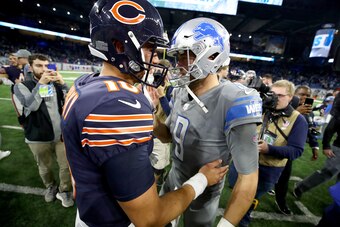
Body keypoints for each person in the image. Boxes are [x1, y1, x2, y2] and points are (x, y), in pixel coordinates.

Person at [60, 1, 227, 226]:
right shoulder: (118, 106)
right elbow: (150, 218)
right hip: (116, 219)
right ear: (119, 45)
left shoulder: (86, 84)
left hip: (93, 208)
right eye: (151, 48)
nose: (156, 59)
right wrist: (201, 180)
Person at [154, 17, 262, 227]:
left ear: (212, 55)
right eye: (177, 57)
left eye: (185, 56)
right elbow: (168, 137)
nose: (179, 65)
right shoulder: (179, 91)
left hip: (204, 192)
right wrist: (151, 122)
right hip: (174, 180)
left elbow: (248, 177)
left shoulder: (233, 100)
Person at [229, 80, 308, 226]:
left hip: (267, 169)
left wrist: (268, 149)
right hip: (242, 162)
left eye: (280, 95)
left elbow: (296, 151)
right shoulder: (260, 108)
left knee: (244, 207)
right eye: (272, 94)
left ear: (290, 97)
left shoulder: (298, 120)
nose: (274, 98)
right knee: (234, 197)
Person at [13, 53, 73, 208]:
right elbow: (31, 106)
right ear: (31, 67)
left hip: (60, 134)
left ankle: (65, 190)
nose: (44, 69)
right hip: (37, 136)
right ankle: (51, 187)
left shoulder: (54, 84)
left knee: (66, 165)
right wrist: (41, 84)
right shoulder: (21, 86)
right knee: (45, 167)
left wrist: (63, 83)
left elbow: (70, 102)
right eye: (39, 65)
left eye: (46, 65)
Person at [273, 85, 319, 214]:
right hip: (274, 145)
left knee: (284, 176)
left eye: (307, 95)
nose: (305, 97)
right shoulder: (284, 106)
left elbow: (311, 128)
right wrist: (296, 112)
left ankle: (280, 201)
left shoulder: (308, 112)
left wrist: (315, 145)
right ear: (293, 95)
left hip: (289, 150)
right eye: (302, 94)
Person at [293, 92, 340, 200]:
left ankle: (337, 201)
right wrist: (326, 145)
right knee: (329, 171)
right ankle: (301, 187)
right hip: (339, 147)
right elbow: (332, 126)